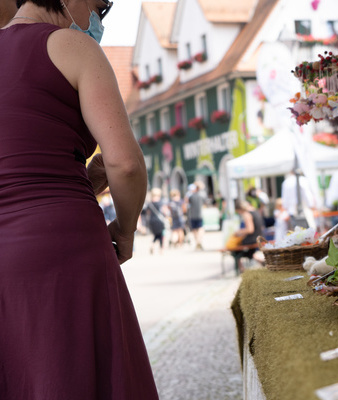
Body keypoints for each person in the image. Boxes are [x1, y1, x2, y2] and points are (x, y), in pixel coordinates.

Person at [0, 1, 159, 398]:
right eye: (100, 5)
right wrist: (125, 229)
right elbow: (125, 165)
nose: (99, 16)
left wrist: (82, 178)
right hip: (63, 246)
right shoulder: (72, 46)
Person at [231, 200, 264, 273]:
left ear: (240, 209)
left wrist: (239, 232)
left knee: (234, 249)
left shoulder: (247, 214)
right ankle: (260, 261)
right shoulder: (255, 211)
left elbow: (250, 229)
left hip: (252, 239)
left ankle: (241, 269)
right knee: (247, 251)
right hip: (259, 237)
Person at [144, 188, 169, 255]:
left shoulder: (150, 204)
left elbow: (147, 213)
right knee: (161, 235)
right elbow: (165, 211)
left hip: (152, 221)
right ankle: (161, 250)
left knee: (156, 235)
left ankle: (152, 245)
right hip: (160, 221)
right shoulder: (161, 202)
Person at [185, 182, 204, 250]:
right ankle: (199, 241)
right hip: (199, 215)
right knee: (201, 228)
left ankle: (197, 242)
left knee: (194, 229)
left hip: (192, 215)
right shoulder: (201, 196)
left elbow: (186, 203)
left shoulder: (191, 196)